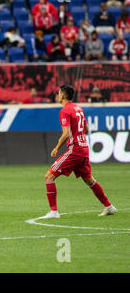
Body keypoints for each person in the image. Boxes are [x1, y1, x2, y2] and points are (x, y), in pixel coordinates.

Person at [40, 84, 116, 219]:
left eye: (59, 93)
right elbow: (86, 129)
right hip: (84, 149)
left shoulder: (65, 110)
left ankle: (53, 212)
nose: (58, 96)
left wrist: (57, 147)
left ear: (62, 95)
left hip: (74, 150)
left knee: (48, 177)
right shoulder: (78, 108)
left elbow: (66, 133)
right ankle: (109, 206)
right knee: (89, 180)